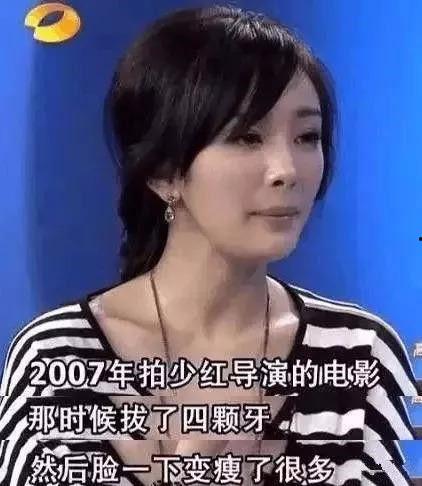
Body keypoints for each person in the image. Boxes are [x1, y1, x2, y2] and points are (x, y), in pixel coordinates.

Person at [0, 4, 418, 486]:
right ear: (164, 173)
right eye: (247, 138)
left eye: (307, 137)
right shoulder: (58, 357)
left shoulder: (358, 353)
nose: (287, 170)